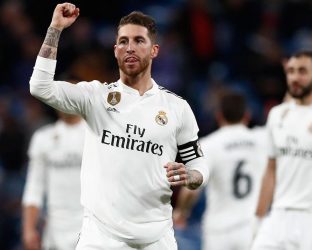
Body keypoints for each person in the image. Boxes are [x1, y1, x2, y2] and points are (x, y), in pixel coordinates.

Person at [29, 3, 209, 250]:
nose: (130, 47)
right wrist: (55, 29)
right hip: (101, 239)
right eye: (123, 41)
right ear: (115, 50)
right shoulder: (95, 97)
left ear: (155, 50)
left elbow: (197, 164)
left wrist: (192, 176)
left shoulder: (177, 108)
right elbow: (40, 87)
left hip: (156, 239)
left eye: (138, 41)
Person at [252, 51, 312, 250]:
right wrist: (258, 218)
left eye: (302, 71)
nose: (295, 77)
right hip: (278, 216)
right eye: (291, 71)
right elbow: (270, 171)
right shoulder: (277, 114)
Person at [173, 91, 267, 250]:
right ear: (247, 115)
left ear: (219, 116)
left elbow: (191, 189)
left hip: (219, 231)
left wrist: (181, 212)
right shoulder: (261, 139)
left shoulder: (209, 145)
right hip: (253, 227)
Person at [22, 110, 85, 250]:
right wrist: (29, 229)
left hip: (91, 232)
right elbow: (34, 187)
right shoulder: (42, 138)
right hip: (54, 235)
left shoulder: (97, 135)